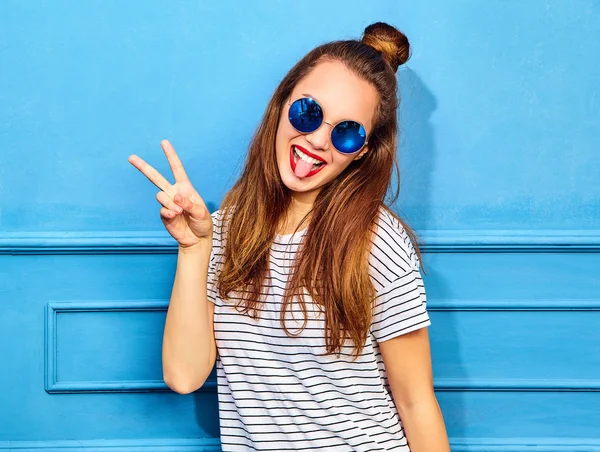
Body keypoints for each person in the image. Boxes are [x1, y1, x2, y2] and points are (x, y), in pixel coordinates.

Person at [129, 21, 450, 452]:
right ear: (282, 104)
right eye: (308, 112)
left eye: (346, 132)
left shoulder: (379, 242)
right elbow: (183, 376)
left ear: (364, 151)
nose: (317, 140)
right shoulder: (222, 230)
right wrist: (194, 248)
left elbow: (416, 402)